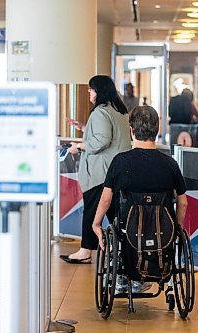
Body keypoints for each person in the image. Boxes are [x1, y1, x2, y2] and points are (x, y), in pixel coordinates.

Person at [92, 105, 188, 292]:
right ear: (157, 130)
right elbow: (183, 202)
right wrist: (176, 228)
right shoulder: (170, 164)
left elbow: (105, 199)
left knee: (119, 225)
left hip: (129, 229)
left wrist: (96, 224)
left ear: (131, 131)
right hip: (162, 231)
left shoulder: (120, 161)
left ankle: (122, 276)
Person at [60, 75, 131, 264]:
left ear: (99, 91)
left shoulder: (100, 112)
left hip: (101, 171)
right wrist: (85, 128)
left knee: (91, 210)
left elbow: (101, 140)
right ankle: (124, 249)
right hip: (116, 170)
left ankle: (85, 251)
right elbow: (109, 134)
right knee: (115, 213)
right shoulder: (118, 110)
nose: (89, 93)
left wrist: (79, 147)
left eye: (91, 89)